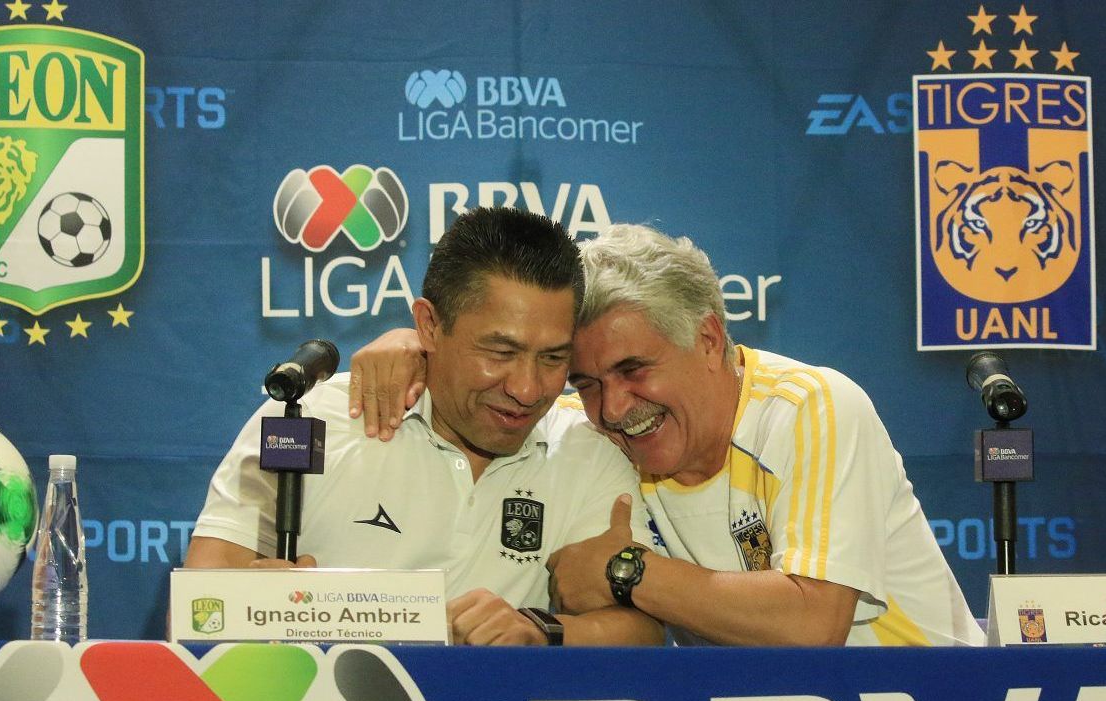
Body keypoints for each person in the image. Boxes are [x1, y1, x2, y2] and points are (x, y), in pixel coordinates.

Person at [350, 223, 984, 646]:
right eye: (586, 382)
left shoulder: (808, 407)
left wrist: (625, 570)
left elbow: (813, 623)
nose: (614, 408)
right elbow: (493, 393)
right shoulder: (597, 432)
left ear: (707, 339)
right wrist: (414, 351)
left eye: (634, 370)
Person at [185, 207, 662, 647]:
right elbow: (195, 616)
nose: (527, 388)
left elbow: (642, 634)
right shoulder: (310, 421)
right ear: (429, 325)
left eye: (553, 358)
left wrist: (541, 631)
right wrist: (253, 607)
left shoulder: (587, 453)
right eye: (500, 352)